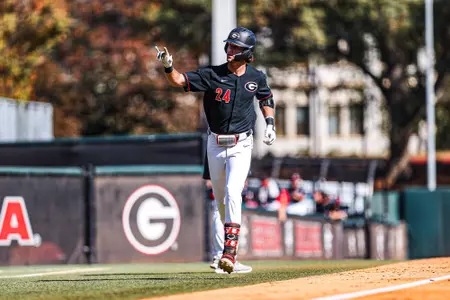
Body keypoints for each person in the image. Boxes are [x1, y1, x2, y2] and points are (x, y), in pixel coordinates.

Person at [155, 27, 276, 274]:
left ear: (248, 53)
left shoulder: (256, 77)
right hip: (215, 143)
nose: (230, 50)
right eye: (229, 46)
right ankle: (218, 256)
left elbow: (266, 98)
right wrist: (168, 66)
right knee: (219, 202)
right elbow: (179, 80)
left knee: (233, 192)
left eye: (236, 48)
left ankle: (229, 254)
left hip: (242, 143)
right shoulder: (212, 74)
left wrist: (270, 123)